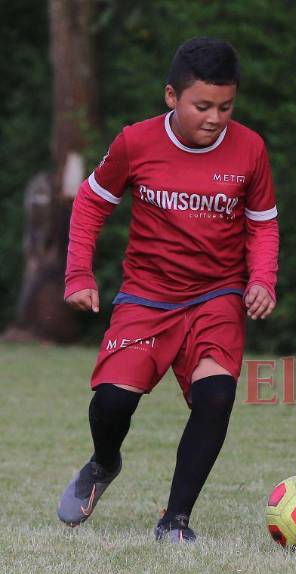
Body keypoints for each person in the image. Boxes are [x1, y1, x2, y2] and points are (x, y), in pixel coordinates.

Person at [57, 37, 279, 543]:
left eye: (226, 106)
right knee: (113, 403)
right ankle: (103, 462)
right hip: (147, 294)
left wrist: (262, 279)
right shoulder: (135, 142)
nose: (216, 117)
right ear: (171, 97)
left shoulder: (250, 149)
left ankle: (175, 520)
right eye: (203, 105)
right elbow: (91, 203)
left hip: (216, 295)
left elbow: (262, 224)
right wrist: (78, 275)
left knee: (216, 396)